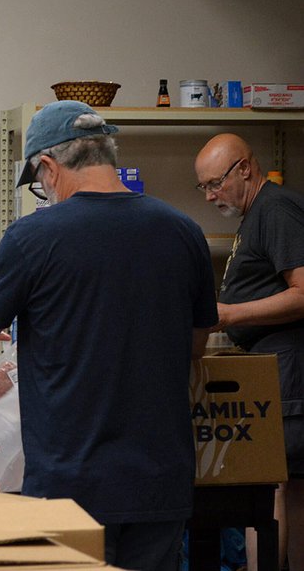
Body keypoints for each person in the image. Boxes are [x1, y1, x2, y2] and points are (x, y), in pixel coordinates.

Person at [0, 100, 218, 571]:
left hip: (71, 485)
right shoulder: (183, 231)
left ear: (49, 167)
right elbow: (196, 347)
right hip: (161, 483)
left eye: (38, 180)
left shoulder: (33, 237)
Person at [195, 133, 304, 571]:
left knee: (277, 488)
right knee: (284, 490)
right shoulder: (255, 212)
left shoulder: (276, 209)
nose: (210, 195)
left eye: (215, 183)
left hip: (290, 368)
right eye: (202, 187)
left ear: (245, 167)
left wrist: (230, 314)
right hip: (272, 363)